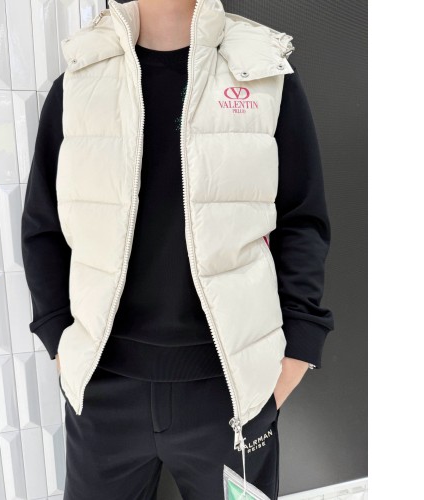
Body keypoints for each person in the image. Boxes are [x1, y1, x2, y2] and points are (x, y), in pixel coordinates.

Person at [21, 0, 334, 498]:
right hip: (102, 394)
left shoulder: (263, 73)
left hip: (232, 392)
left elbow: (302, 220)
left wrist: (297, 353)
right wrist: (60, 342)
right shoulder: (78, 83)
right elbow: (44, 227)